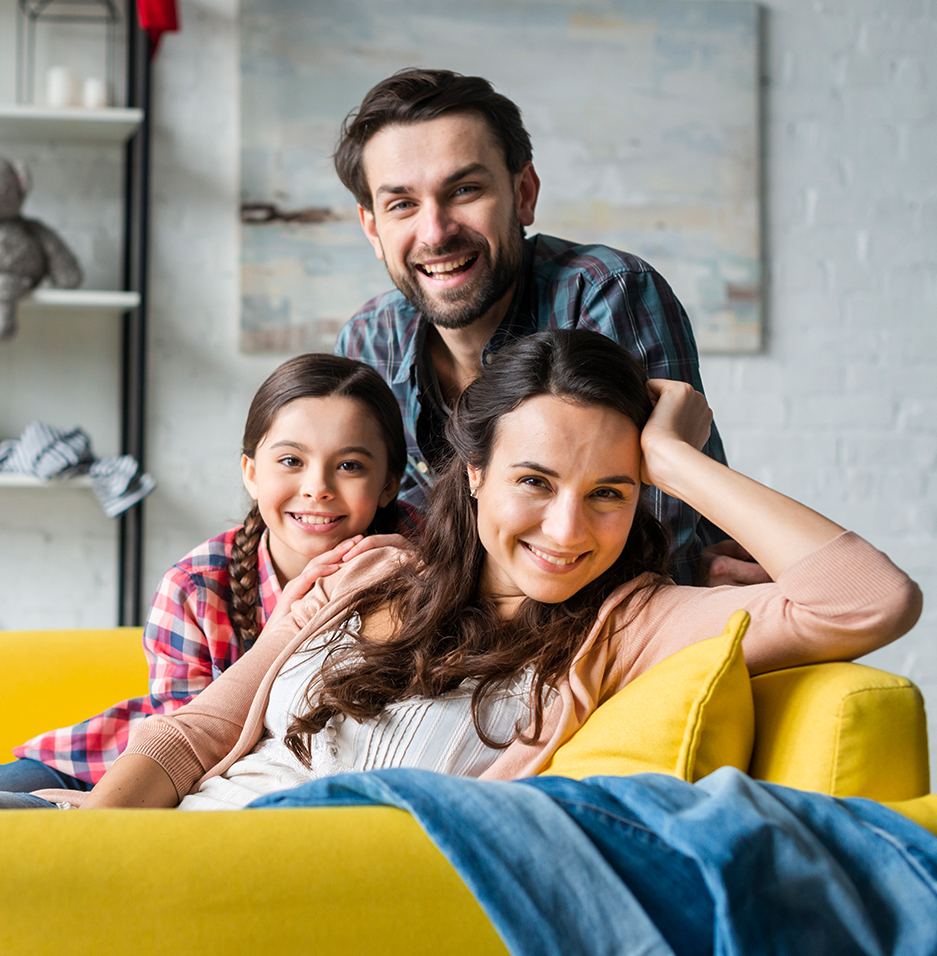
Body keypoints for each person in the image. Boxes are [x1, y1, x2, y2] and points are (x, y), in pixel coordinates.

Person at [9, 329, 920, 811]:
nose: (568, 530)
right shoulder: (369, 571)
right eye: (533, 480)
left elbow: (872, 601)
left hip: (281, 876)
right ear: (473, 473)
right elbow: (192, 735)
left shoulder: (632, 621)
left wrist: (677, 459)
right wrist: (98, 844)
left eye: (609, 490)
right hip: (149, 839)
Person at [332, 67, 758, 587]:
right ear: (373, 228)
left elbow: (637, 546)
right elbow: (359, 540)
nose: (435, 232)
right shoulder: (368, 340)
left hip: (627, 632)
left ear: (524, 193)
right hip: (456, 643)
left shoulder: (608, 292)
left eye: (465, 190)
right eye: (402, 204)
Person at [0, 353, 409, 795]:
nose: (317, 487)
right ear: (252, 473)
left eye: (350, 465)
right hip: (120, 764)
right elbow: (184, 750)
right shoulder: (194, 587)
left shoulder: (423, 566)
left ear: (389, 482)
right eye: (291, 461)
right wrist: (280, 636)